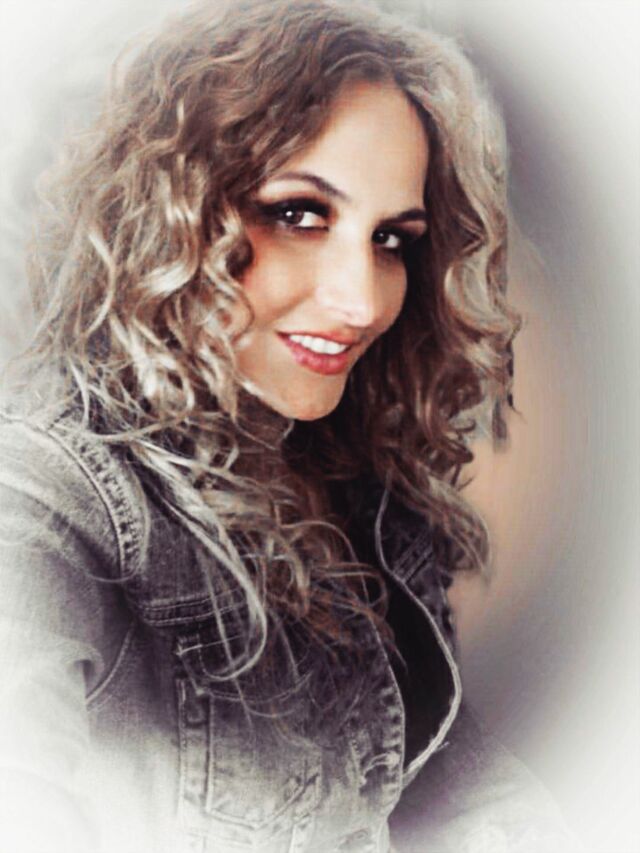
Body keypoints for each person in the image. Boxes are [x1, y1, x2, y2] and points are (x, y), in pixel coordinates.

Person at [0, 1, 580, 851]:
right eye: (300, 214)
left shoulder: (354, 480)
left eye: (391, 239)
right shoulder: (48, 502)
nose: (360, 300)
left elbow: (449, 790)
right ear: (174, 210)